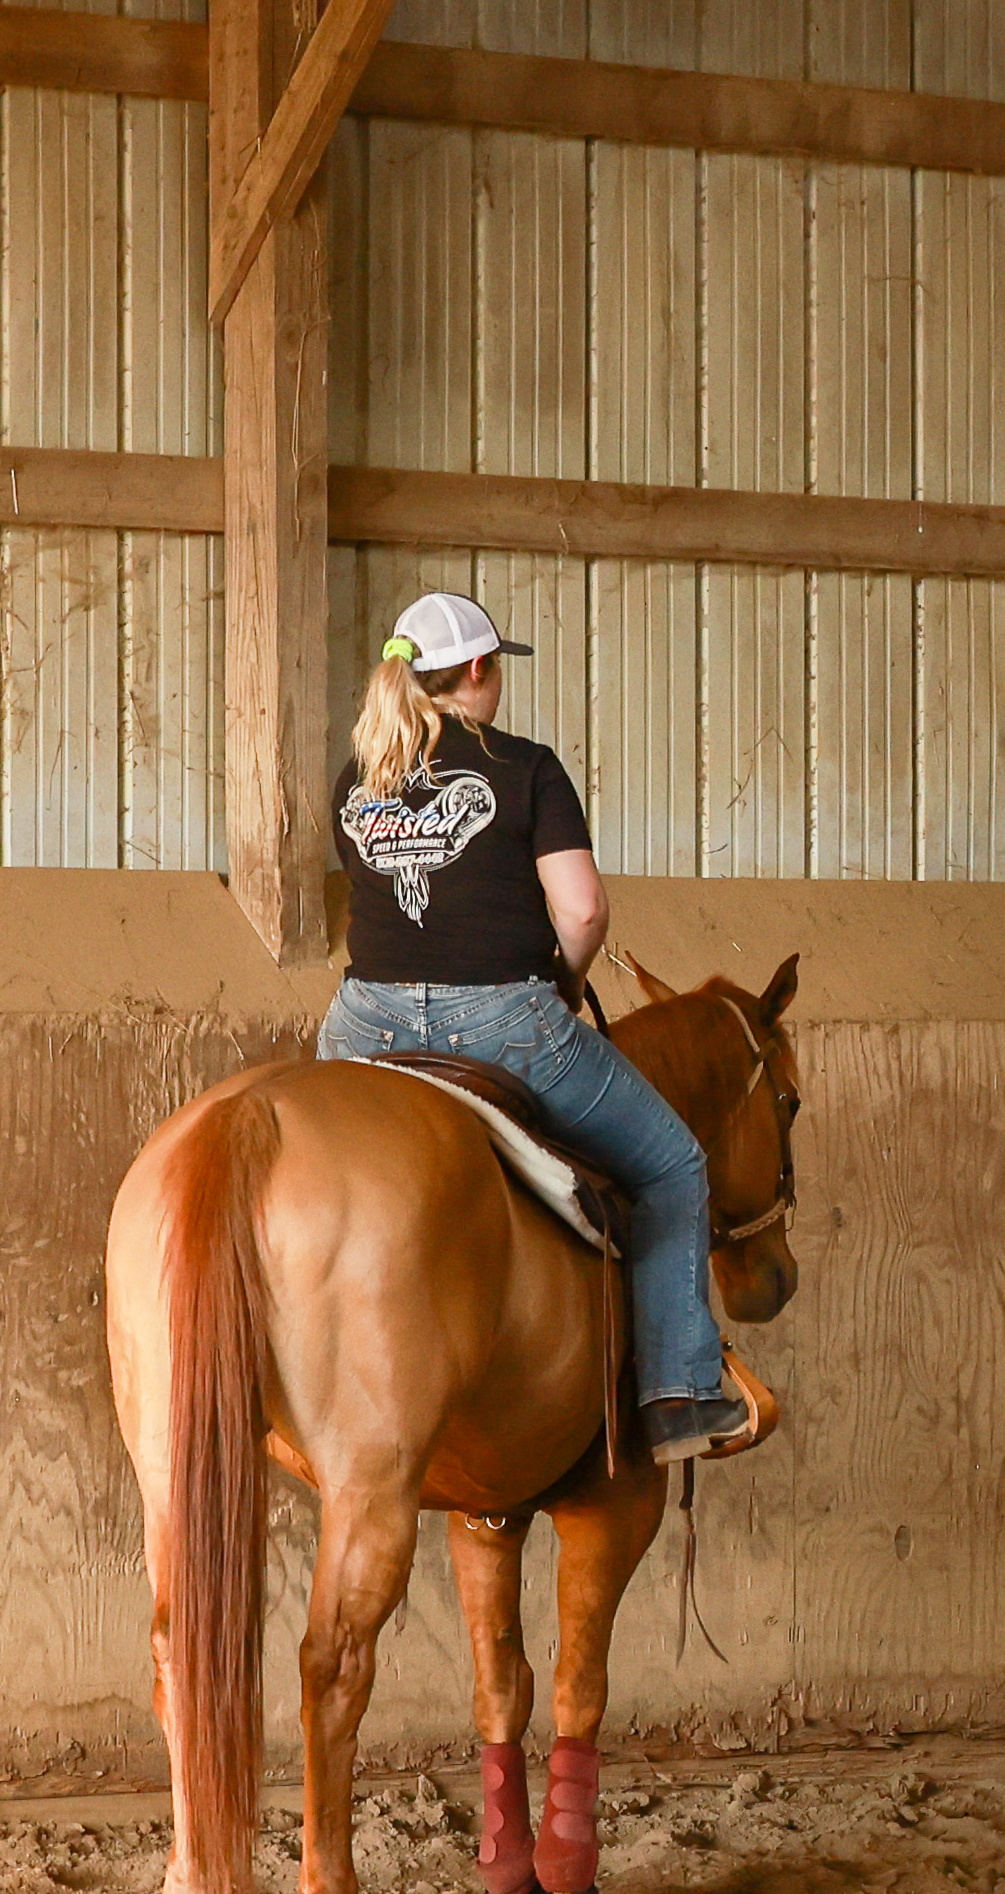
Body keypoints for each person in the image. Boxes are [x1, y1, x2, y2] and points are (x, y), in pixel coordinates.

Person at [315, 592, 756, 1463]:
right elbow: (584, 910)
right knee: (672, 1164)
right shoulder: (525, 767)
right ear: (480, 670)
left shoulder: (354, 777)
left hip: (363, 1024)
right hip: (499, 1019)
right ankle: (677, 1389)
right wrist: (564, 983)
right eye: (496, 668)